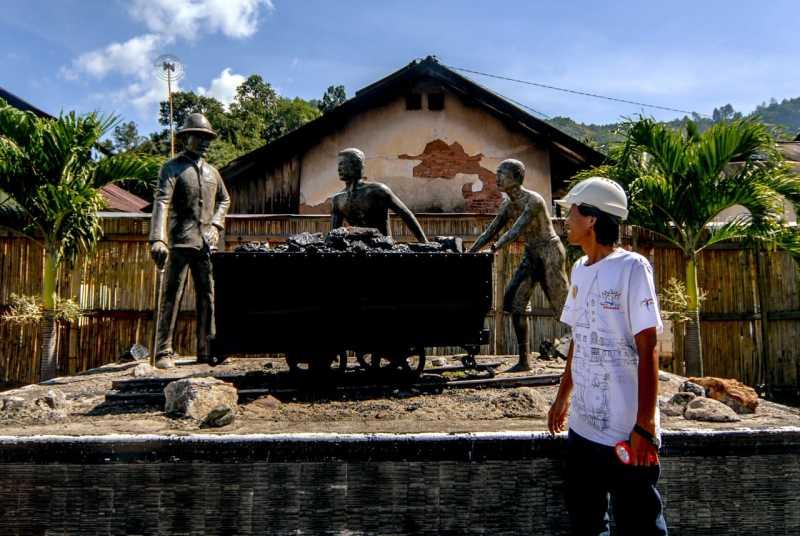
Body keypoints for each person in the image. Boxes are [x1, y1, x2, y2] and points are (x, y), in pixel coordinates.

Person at [547, 176, 668, 535]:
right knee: (586, 523)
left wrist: (644, 427)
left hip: (625, 432)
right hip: (583, 431)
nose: (566, 219)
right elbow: (578, 338)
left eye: (571, 212)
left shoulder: (633, 268)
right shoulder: (579, 270)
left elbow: (649, 347)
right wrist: (562, 396)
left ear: (592, 219)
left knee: (641, 525)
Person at [469, 159, 569, 371]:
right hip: (532, 252)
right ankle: (524, 361)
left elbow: (515, 230)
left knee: (562, 308)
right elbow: (491, 230)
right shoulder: (508, 204)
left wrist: (495, 248)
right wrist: (470, 252)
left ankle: (580, 356)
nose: (497, 178)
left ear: (515, 178)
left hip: (550, 251)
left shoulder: (533, 200)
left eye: (501, 174)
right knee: (515, 304)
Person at [149, 113, 231, 369]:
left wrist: (217, 224)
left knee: (208, 296)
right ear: (187, 138)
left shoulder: (213, 173)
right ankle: (163, 351)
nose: (205, 142)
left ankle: (207, 350)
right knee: (171, 296)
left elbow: (224, 200)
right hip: (180, 242)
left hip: (206, 245)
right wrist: (158, 238)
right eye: (200, 137)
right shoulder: (172, 168)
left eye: (208, 138)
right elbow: (161, 201)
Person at [331, 148, 428, 242]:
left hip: (382, 246)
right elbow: (334, 234)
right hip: (356, 248)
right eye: (338, 165)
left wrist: (425, 242)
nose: (339, 169)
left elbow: (406, 215)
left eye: (342, 164)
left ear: (357, 164)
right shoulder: (337, 199)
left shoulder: (377, 190)